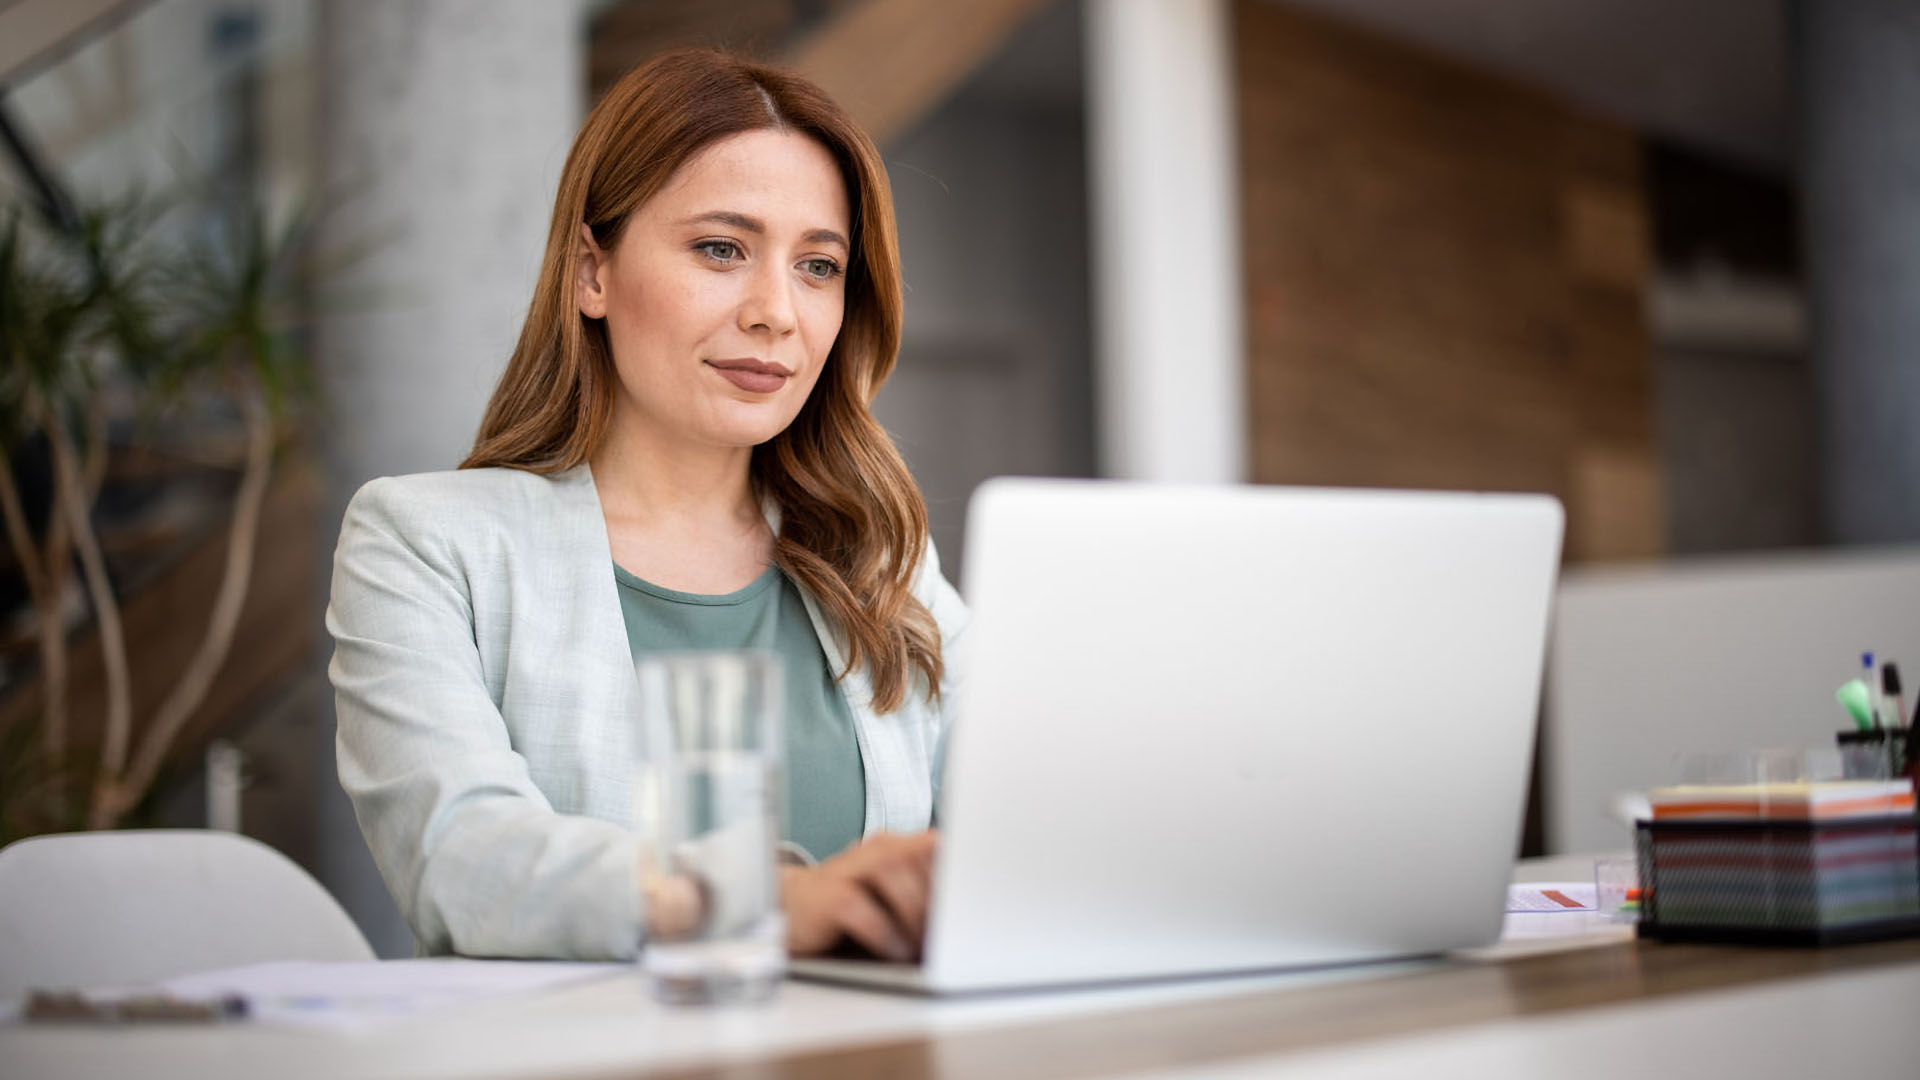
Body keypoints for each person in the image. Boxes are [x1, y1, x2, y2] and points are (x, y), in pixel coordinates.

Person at [326, 48, 964, 962]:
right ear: (593, 272)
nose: (776, 311)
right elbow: (460, 857)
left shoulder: (880, 559)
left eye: (819, 266)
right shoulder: (426, 543)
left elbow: (1030, 806)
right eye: (721, 249)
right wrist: (774, 899)